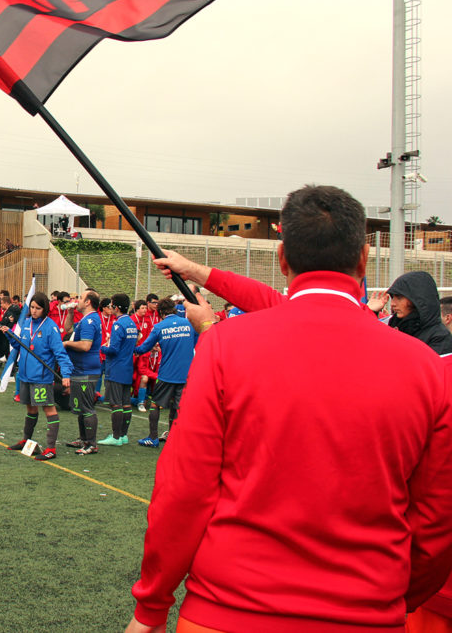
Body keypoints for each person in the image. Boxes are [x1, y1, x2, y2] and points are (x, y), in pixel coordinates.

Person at [127, 185, 452, 633]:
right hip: (366, 612)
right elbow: (435, 521)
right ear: (362, 260)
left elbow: (183, 491)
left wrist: (152, 605)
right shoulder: (426, 368)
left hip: (230, 609)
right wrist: (387, 597)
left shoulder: (226, 346)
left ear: (282, 259)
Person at [3, 292, 73, 461]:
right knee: (30, 408)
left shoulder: (51, 327)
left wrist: (66, 374)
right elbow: (20, 346)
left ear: (45, 309)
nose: (34, 311)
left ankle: (51, 448)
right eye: (32, 307)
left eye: (38, 308)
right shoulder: (27, 323)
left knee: (49, 409)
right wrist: (9, 334)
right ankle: (25, 440)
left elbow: (60, 353)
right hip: (25, 376)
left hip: (41, 378)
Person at [132, 297, 194, 447]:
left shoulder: (159, 327)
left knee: (155, 405)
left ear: (160, 312)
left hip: (167, 374)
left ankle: (152, 438)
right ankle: (174, 437)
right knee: (177, 407)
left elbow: (144, 348)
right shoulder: (189, 324)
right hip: (186, 374)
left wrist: (132, 346)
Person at [61, 290, 103, 454]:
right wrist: (70, 313)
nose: (76, 300)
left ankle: (91, 443)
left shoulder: (89, 321)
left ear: (88, 302)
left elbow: (85, 346)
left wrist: (66, 345)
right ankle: (83, 439)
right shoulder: (86, 320)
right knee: (81, 407)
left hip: (86, 370)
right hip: (81, 369)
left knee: (86, 408)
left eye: (80, 298)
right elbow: (67, 328)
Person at [97, 293, 139, 446]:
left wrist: (102, 347)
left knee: (116, 404)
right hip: (127, 367)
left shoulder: (118, 324)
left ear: (116, 307)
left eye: (111, 305)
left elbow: (113, 349)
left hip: (116, 368)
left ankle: (115, 437)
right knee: (125, 402)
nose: (110, 307)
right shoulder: (132, 323)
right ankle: (123, 435)